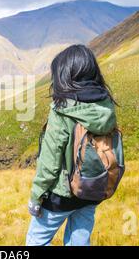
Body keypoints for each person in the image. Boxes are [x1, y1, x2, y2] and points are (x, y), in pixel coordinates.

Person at [26, 44, 118, 246]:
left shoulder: (61, 109)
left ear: (65, 74)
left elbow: (49, 162)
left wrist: (36, 196)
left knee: (36, 242)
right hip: (92, 189)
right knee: (79, 242)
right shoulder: (106, 105)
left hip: (61, 194)